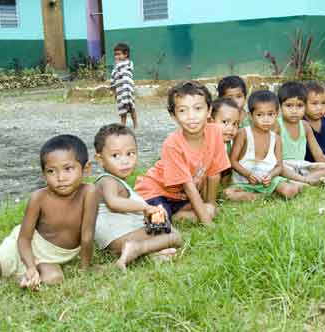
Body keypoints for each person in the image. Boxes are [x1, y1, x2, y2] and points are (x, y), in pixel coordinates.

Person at [0, 135, 98, 289]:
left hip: (51, 258)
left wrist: (85, 269)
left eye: (68, 169)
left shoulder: (89, 193)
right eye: (51, 171)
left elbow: (87, 236)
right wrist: (30, 266)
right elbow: (23, 239)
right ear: (43, 174)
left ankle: (20, 278)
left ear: (86, 169)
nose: (60, 177)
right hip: (21, 248)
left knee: (53, 279)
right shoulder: (38, 198)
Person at [135, 81, 231, 226]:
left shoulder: (215, 132)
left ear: (209, 110)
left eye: (198, 108)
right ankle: (151, 212)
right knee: (160, 221)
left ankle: (172, 215)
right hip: (155, 191)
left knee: (209, 210)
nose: (191, 116)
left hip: (179, 199)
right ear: (173, 116)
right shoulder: (172, 144)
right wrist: (209, 224)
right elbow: (189, 187)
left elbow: (214, 173)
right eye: (182, 110)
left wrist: (211, 205)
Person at [92, 124, 182, 272]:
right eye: (116, 155)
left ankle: (151, 254)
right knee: (175, 236)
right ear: (100, 159)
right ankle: (139, 248)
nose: (125, 160)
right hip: (119, 237)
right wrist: (146, 207)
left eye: (130, 153)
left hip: (117, 239)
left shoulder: (117, 182)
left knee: (163, 236)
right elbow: (113, 202)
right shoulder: (107, 181)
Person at [224, 90, 306, 201]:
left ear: (277, 114)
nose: (266, 119)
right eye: (260, 115)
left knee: (289, 191)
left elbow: (279, 166)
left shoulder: (276, 139)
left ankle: (289, 187)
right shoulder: (243, 134)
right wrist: (248, 174)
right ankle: (261, 196)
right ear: (250, 116)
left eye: (270, 114)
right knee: (228, 194)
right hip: (244, 183)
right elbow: (233, 161)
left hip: (268, 182)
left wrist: (271, 175)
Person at [209, 97, 241, 186]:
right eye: (225, 122)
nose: (231, 128)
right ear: (211, 122)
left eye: (235, 124)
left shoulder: (231, 143)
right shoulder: (206, 143)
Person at [110, 43, 137, 128]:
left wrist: (118, 65)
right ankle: (123, 125)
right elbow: (114, 77)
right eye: (115, 55)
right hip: (120, 90)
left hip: (128, 90)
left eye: (119, 54)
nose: (116, 56)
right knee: (122, 111)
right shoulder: (116, 67)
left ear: (126, 54)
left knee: (132, 108)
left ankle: (135, 124)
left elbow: (125, 73)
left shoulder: (128, 64)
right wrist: (113, 89)